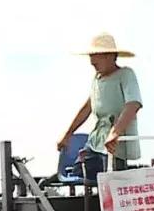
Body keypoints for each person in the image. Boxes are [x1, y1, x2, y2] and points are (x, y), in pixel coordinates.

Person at [57, 32, 143, 174]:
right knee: (79, 170)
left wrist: (115, 133)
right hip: (96, 141)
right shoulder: (97, 79)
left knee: (108, 175)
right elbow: (87, 107)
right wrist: (68, 134)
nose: (91, 61)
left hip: (116, 144)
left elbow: (133, 104)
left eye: (95, 55)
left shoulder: (125, 75)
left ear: (109, 56)